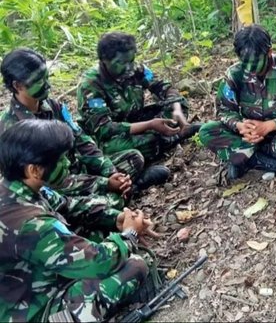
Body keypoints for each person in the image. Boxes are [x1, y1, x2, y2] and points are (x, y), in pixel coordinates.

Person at [0, 119, 154, 322]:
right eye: (61, 159)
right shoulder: (30, 223)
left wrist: (115, 218)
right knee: (135, 265)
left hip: (34, 281)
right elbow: (101, 261)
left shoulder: (16, 187)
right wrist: (129, 235)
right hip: (32, 311)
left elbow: (69, 205)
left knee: (99, 234)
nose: (67, 164)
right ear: (34, 170)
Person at [0, 49, 169, 205]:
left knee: (134, 158)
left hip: (79, 169)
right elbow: (48, 182)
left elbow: (81, 140)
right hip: (56, 189)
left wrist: (110, 172)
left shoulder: (53, 106)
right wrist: (104, 183)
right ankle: (126, 192)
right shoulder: (13, 130)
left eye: (47, 78)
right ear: (18, 85)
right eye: (39, 80)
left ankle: (121, 191)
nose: (47, 85)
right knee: (102, 205)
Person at [199, 24, 276, 182]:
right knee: (206, 131)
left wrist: (269, 126)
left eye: (256, 61)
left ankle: (248, 160)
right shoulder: (234, 74)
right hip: (248, 137)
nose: (251, 68)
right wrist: (240, 126)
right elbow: (224, 111)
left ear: (269, 52)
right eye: (245, 62)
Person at [76, 31, 201, 165]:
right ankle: (172, 137)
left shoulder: (136, 69)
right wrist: (150, 125)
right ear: (104, 60)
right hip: (110, 138)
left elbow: (163, 87)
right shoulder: (91, 85)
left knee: (179, 102)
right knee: (145, 143)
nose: (129, 67)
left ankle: (174, 133)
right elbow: (105, 129)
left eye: (131, 61)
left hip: (136, 120)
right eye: (121, 63)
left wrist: (177, 110)